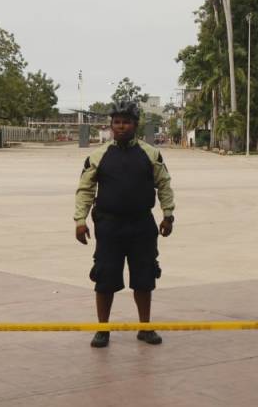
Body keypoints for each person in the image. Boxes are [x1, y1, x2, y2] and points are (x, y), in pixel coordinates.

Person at [74, 100, 175, 348]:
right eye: (117, 122)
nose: (121, 126)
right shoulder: (98, 155)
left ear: (135, 125)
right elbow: (85, 189)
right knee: (104, 277)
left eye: (126, 122)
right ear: (111, 126)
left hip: (142, 225)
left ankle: (144, 327)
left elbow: (164, 185)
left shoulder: (150, 154)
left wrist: (168, 215)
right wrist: (80, 220)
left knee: (145, 276)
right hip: (109, 226)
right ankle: (103, 330)